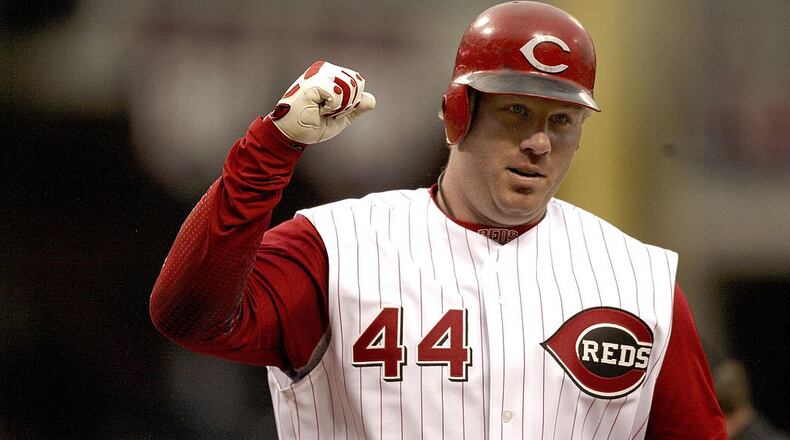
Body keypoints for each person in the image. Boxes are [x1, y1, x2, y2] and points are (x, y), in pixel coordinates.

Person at [150, 2, 726, 438]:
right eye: (516, 112)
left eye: (562, 121)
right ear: (457, 114)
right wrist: (269, 150)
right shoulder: (336, 247)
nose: (538, 143)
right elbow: (188, 316)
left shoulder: (639, 280)